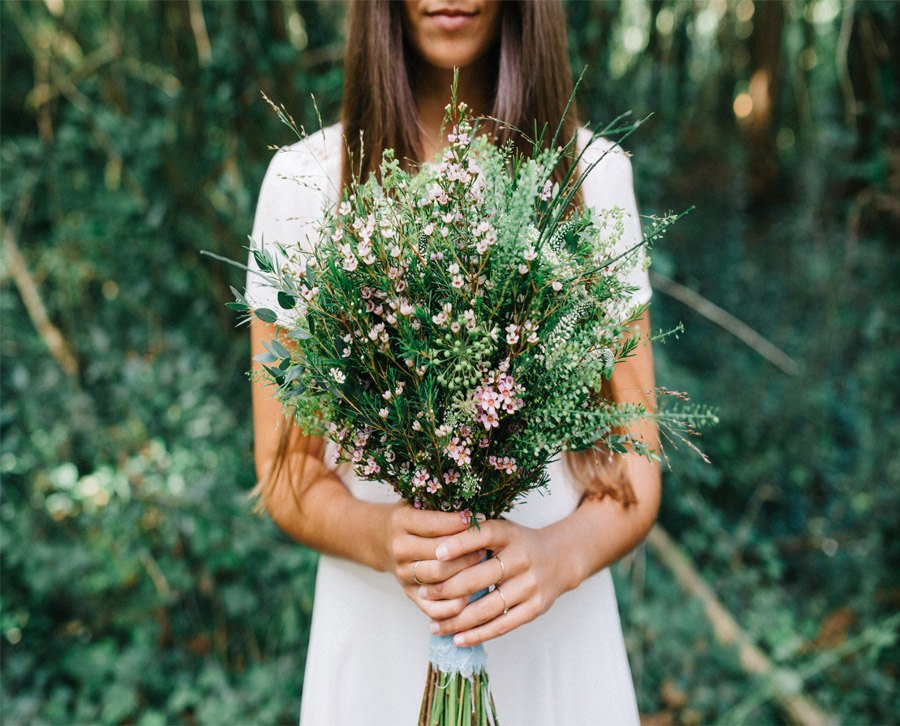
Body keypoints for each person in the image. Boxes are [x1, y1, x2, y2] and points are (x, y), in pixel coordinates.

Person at [246, 2, 661, 724]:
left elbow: (637, 467)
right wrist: (380, 536)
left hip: (557, 645)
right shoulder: (305, 183)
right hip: (376, 644)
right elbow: (287, 473)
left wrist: (558, 556)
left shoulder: (594, 177)